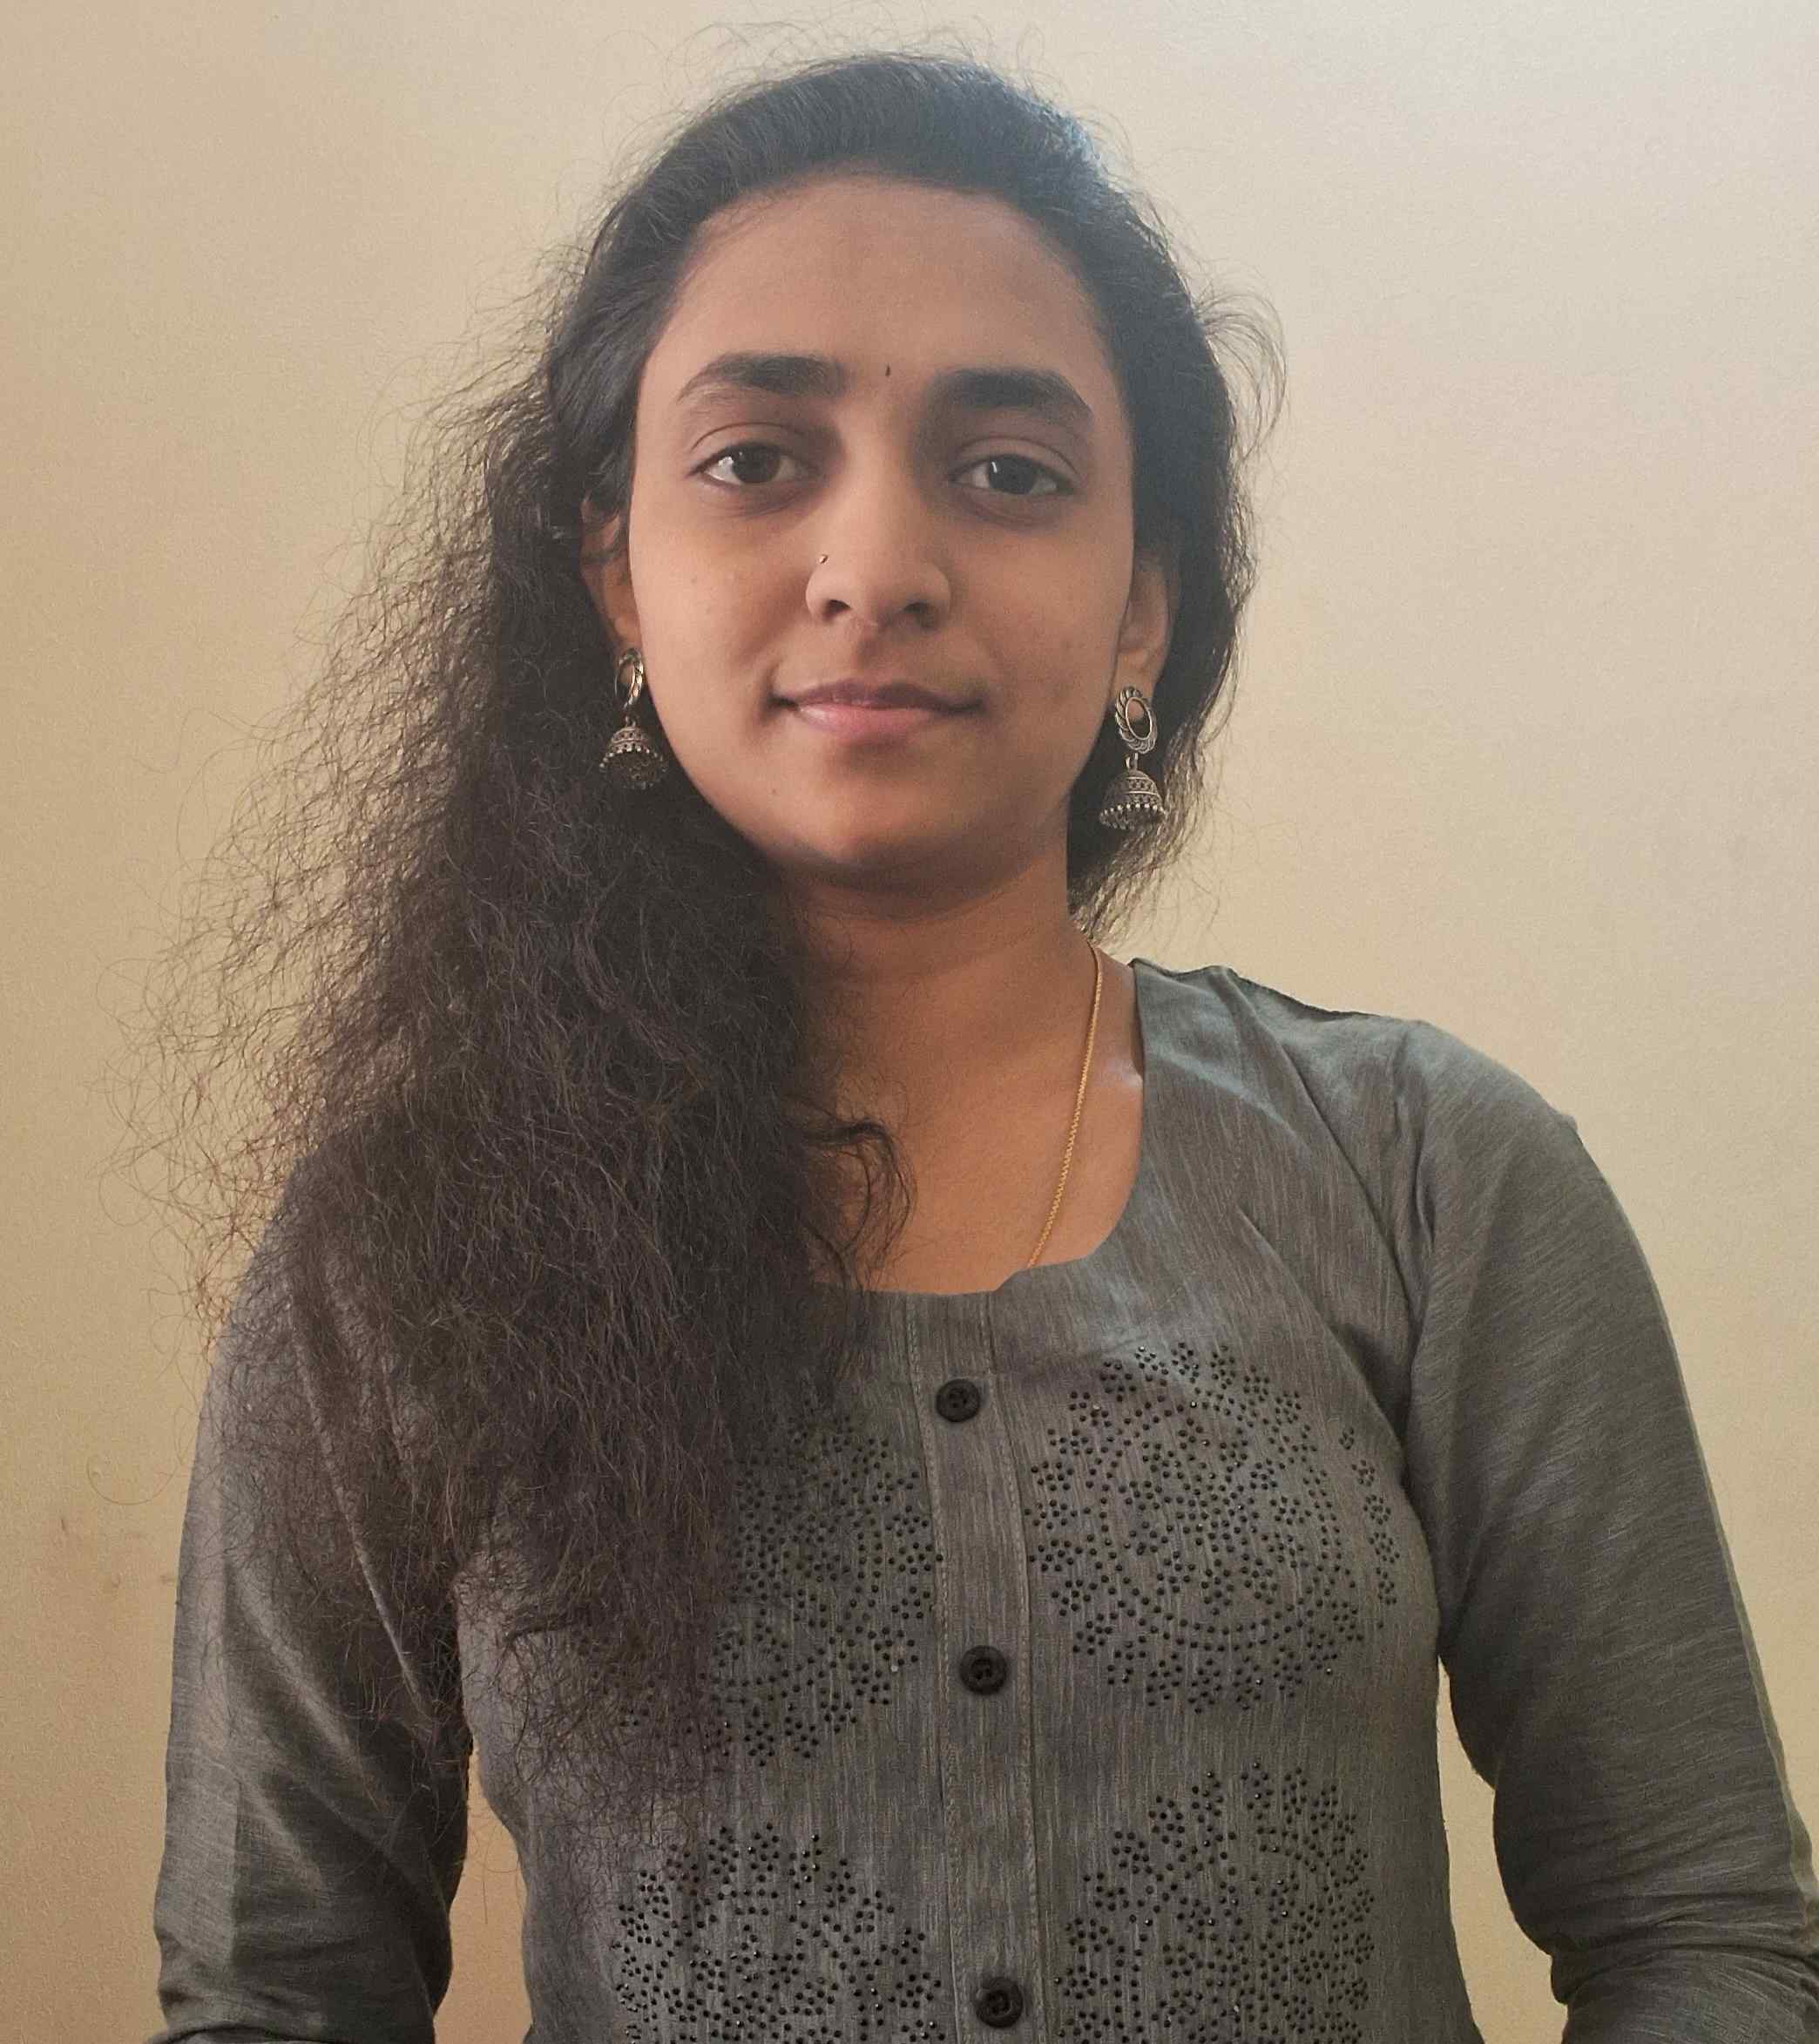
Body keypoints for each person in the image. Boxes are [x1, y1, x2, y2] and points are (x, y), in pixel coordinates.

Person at [145, 46, 1816, 2043]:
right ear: (614, 575)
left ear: (1143, 608)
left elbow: (1706, 1933)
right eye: (757, 460)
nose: (878, 568)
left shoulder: (1428, 1180)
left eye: (1009, 472)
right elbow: (276, 1987)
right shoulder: (411, 1247)